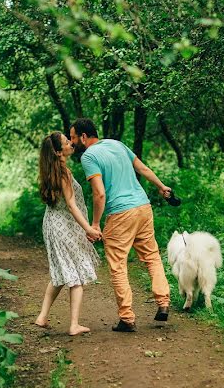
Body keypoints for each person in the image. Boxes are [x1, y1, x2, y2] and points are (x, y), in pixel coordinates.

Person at [70, 118, 172, 332]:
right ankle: (163, 303)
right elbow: (143, 169)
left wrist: (95, 224)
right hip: (143, 207)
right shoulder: (117, 144)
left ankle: (127, 318)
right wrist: (162, 187)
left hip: (120, 213)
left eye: (73, 137)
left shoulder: (89, 156)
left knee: (118, 265)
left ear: (84, 136)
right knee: (152, 256)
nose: (72, 142)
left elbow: (99, 193)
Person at [34, 131, 101, 336]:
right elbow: (72, 206)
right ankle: (74, 325)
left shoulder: (52, 171)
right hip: (63, 226)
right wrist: (88, 228)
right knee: (77, 273)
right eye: (65, 142)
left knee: (61, 271)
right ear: (57, 151)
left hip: (54, 224)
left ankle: (42, 317)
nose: (71, 143)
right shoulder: (63, 173)